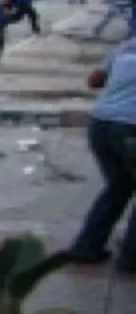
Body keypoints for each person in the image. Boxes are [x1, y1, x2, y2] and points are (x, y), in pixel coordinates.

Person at [66, 38, 136, 274]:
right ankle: (131, 261)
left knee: (118, 187)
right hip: (130, 128)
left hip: (100, 125)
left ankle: (86, 247)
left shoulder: (126, 46)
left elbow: (94, 81)